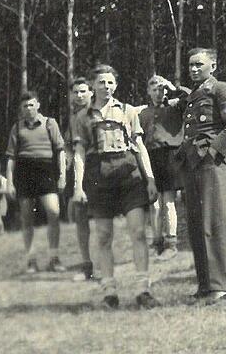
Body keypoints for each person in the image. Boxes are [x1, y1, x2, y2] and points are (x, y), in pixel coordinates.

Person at [72, 64, 161, 309]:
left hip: (128, 173)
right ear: (93, 86)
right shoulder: (82, 117)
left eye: (110, 82)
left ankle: (143, 290)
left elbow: (140, 147)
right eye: (101, 82)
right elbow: (79, 153)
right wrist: (77, 187)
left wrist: (150, 178)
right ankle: (109, 291)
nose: (106, 87)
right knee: (103, 235)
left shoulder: (128, 111)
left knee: (138, 232)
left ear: (116, 85)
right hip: (99, 175)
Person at [171, 48, 226, 305]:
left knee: (214, 223)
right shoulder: (194, 94)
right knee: (196, 224)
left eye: (199, 65)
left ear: (212, 66)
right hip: (193, 164)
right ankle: (205, 284)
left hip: (213, 164)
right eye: (190, 65)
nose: (193, 69)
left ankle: (221, 285)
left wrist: (215, 151)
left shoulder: (221, 89)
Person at [5, 91, 67, 273]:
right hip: (24, 172)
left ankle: (54, 258)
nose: (28, 109)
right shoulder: (17, 128)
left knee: (53, 212)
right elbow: (11, 158)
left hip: (46, 171)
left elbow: (61, 151)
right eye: (25, 106)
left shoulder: (50, 123)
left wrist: (62, 175)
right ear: (21, 109)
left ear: (38, 105)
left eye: (31, 105)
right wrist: (9, 182)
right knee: (26, 217)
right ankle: (31, 260)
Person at [139, 75, 189, 261]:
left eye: (162, 89)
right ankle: (157, 242)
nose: (159, 93)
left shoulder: (175, 107)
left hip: (170, 156)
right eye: (155, 89)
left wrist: (172, 86)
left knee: (168, 202)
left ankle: (171, 243)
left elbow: (189, 98)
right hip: (151, 157)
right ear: (148, 92)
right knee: (154, 204)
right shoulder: (143, 113)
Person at [65, 77, 94, 282]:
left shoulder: (102, 110)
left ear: (91, 92)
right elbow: (70, 147)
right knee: (81, 218)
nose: (79, 95)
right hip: (82, 172)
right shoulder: (74, 118)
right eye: (75, 92)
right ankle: (87, 266)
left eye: (83, 91)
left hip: (104, 169)